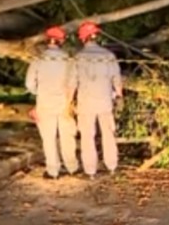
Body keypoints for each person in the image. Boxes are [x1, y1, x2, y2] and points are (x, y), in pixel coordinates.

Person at [24, 26, 78, 179]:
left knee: (48, 137)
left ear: (47, 41)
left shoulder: (38, 60)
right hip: (65, 102)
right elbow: (73, 83)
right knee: (67, 136)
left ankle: (53, 170)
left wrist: (39, 91)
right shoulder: (69, 60)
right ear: (61, 41)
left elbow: (29, 84)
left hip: (44, 102)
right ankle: (72, 167)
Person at [73, 21, 123, 178]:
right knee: (108, 133)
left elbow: (72, 83)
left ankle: (90, 171)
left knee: (87, 136)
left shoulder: (78, 58)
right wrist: (119, 96)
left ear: (82, 38)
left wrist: (69, 102)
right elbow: (117, 79)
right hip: (105, 101)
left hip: (86, 103)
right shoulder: (108, 56)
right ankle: (112, 166)